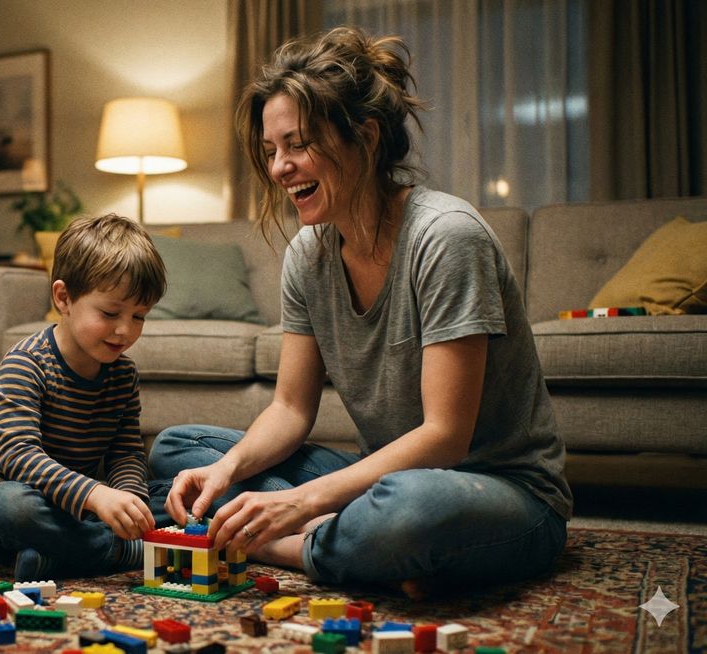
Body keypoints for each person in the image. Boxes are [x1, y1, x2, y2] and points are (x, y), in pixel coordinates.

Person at [148, 26, 572, 598]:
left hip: (493, 492)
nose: (278, 168)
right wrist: (230, 469)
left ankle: (280, 543)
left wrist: (297, 504)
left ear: (365, 137)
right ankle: (364, 549)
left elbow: (445, 438)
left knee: (407, 509)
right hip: (382, 481)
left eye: (297, 145)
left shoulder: (446, 237)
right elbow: (290, 409)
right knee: (181, 451)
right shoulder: (307, 254)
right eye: (272, 151)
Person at [0, 214, 167, 581]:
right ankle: (121, 550)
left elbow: (126, 451)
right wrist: (97, 496)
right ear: (63, 297)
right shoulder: (25, 364)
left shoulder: (123, 374)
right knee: (13, 505)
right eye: (110, 312)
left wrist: (131, 502)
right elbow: (21, 458)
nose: (124, 330)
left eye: (139, 316)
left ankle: (59, 556)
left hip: (77, 507)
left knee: (173, 492)